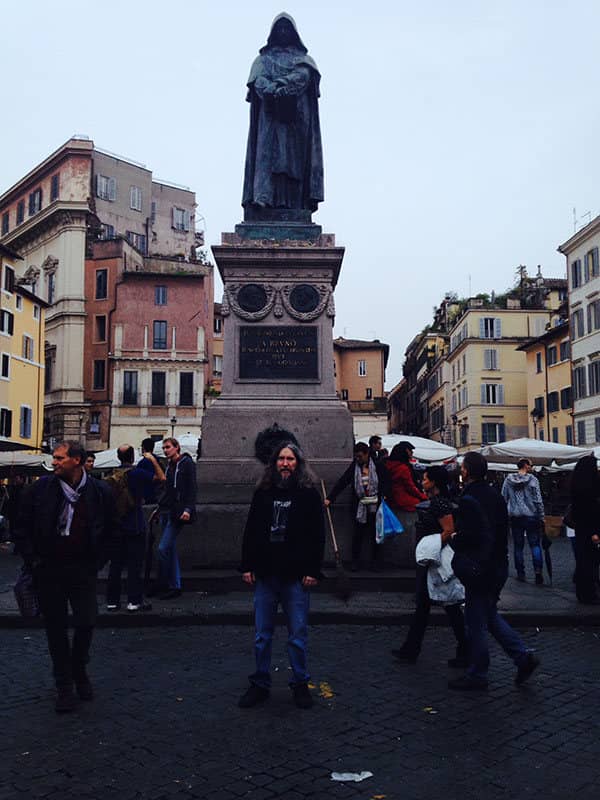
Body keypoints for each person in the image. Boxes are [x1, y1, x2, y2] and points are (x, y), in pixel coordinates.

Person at [15, 441, 114, 712]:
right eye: (54, 458)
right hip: (49, 568)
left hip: (83, 567)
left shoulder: (100, 492)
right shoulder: (39, 490)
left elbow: (110, 530)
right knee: (55, 629)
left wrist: (97, 561)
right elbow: (21, 526)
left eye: (60, 458)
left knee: (86, 622)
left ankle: (78, 668)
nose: (54, 462)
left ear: (77, 461)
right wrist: (33, 559)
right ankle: (64, 686)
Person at [238, 443, 324, 709]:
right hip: (265, 573)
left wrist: (312, 570)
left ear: (298, 463)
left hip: (295, 576)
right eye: (281, 459)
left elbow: (316, 535)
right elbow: (251, 529)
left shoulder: (308, 494)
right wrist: (247, 565)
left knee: (297, 635)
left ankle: (300, 683)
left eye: (290, 459)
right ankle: (260, 683)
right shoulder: (263, 492)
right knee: (262, 635)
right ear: (274, 463)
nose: (285, 463)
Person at [448, 452, 540, 691]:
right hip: (498, 564)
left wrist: (456, 538)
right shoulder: (495, 495)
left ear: (467, 471)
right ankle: (522, 657)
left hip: (481, 566)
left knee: (476, 621)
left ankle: (478, 673)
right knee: (488, 615)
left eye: (463, 467)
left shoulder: (469, 498)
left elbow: (472, 534)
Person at [242, 13, 324, 213]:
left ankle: (296, 205)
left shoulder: (304, 60)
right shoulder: (263, 60)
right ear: (273, 33)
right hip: (269, 118)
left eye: (287, 29)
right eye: (280, 28)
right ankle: (264, 200)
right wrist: (268, 89)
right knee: (266, 159)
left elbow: (303, 76)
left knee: (294, 162)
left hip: (296, 120)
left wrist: (280, 86)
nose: (283, 32)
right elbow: (257, 81)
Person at [392, 466, 467, 666]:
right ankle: (412, 649)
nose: (422, 482)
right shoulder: (438, 502)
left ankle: (412, 650)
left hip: (435, 560)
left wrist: (429, 549)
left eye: (425, 479)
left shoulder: (440, 504)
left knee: (439, 605)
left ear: (433, 482)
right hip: (433, 559)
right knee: (435, 606)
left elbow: (449, 530)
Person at [105, 444, 165, 612]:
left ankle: (112, 601)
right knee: (134, 565)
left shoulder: (111, 475)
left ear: (118, 457)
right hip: (134, 524)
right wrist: (152, 459)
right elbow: (161, 478)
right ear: (132, 457)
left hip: (116, 526)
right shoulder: (136, 473)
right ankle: (133, 601)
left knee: (115, 566)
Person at [325, 442, 390, 571]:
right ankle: (355, 562)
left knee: (375, 536)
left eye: (360, 456)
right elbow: (342, 482)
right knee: (358, 535)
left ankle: (376, 562)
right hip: (359, 507)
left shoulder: (377, 465)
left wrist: (385, 495)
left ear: (367, 454)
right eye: (356, 457)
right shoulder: (354, 467)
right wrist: (330, 498)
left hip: (375, 507)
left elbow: (387, 481)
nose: (358, 459)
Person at [150, 437, 197, 600]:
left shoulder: (186, 464)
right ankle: (175, 585)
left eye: (168, 447)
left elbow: (192, 487)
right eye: (163, 448)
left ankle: (165, 583)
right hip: (167, 510)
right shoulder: (170, 466)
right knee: (170, 549)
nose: (165, 450)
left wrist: (188, 509)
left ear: (177, 448)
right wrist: (158, 508)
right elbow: (168, 490)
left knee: (163, 549)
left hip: (178, 512)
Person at [501, 458, 545, 584]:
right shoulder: (533, 480)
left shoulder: (508, 480)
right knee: (535, 545)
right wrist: (542, 516)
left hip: (515, 516)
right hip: (531, 515)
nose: (532, 467)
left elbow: (503, 497)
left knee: (518, 546)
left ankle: (521, 573)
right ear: (525, 466)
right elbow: (538, 499)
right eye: (531, 465)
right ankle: (538, 572)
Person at [384, 442, 427, 553]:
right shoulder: (403, 468)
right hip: (405, 501)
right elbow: (410, 487)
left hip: (392, 500)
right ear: (404, 452)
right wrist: (423, 497)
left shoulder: (388, 465)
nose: (412, 453)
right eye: (410, 451)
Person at [569, 455, 600, 605]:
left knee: (583, 560)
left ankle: (583, 592)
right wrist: (595, 531)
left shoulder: (576, 485)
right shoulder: (592, 486)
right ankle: (589, 592)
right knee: (591, 561)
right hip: (591, 528)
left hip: (581, 528)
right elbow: (592, 510)